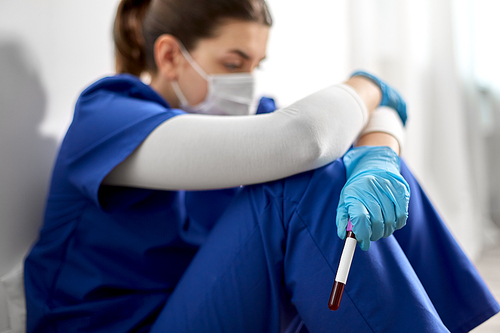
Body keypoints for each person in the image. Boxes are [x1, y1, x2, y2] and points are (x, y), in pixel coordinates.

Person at [23, 0, 499, 332]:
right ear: (170, 56)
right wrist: (368, 84)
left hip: (204, 309)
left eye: (257, 64)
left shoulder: (240, 120)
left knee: (360, 174)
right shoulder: (108, 116)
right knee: (307, 185)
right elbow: (307, 138)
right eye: (234, 63)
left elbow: (366, 121)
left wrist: (380, 154)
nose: (248, 83)